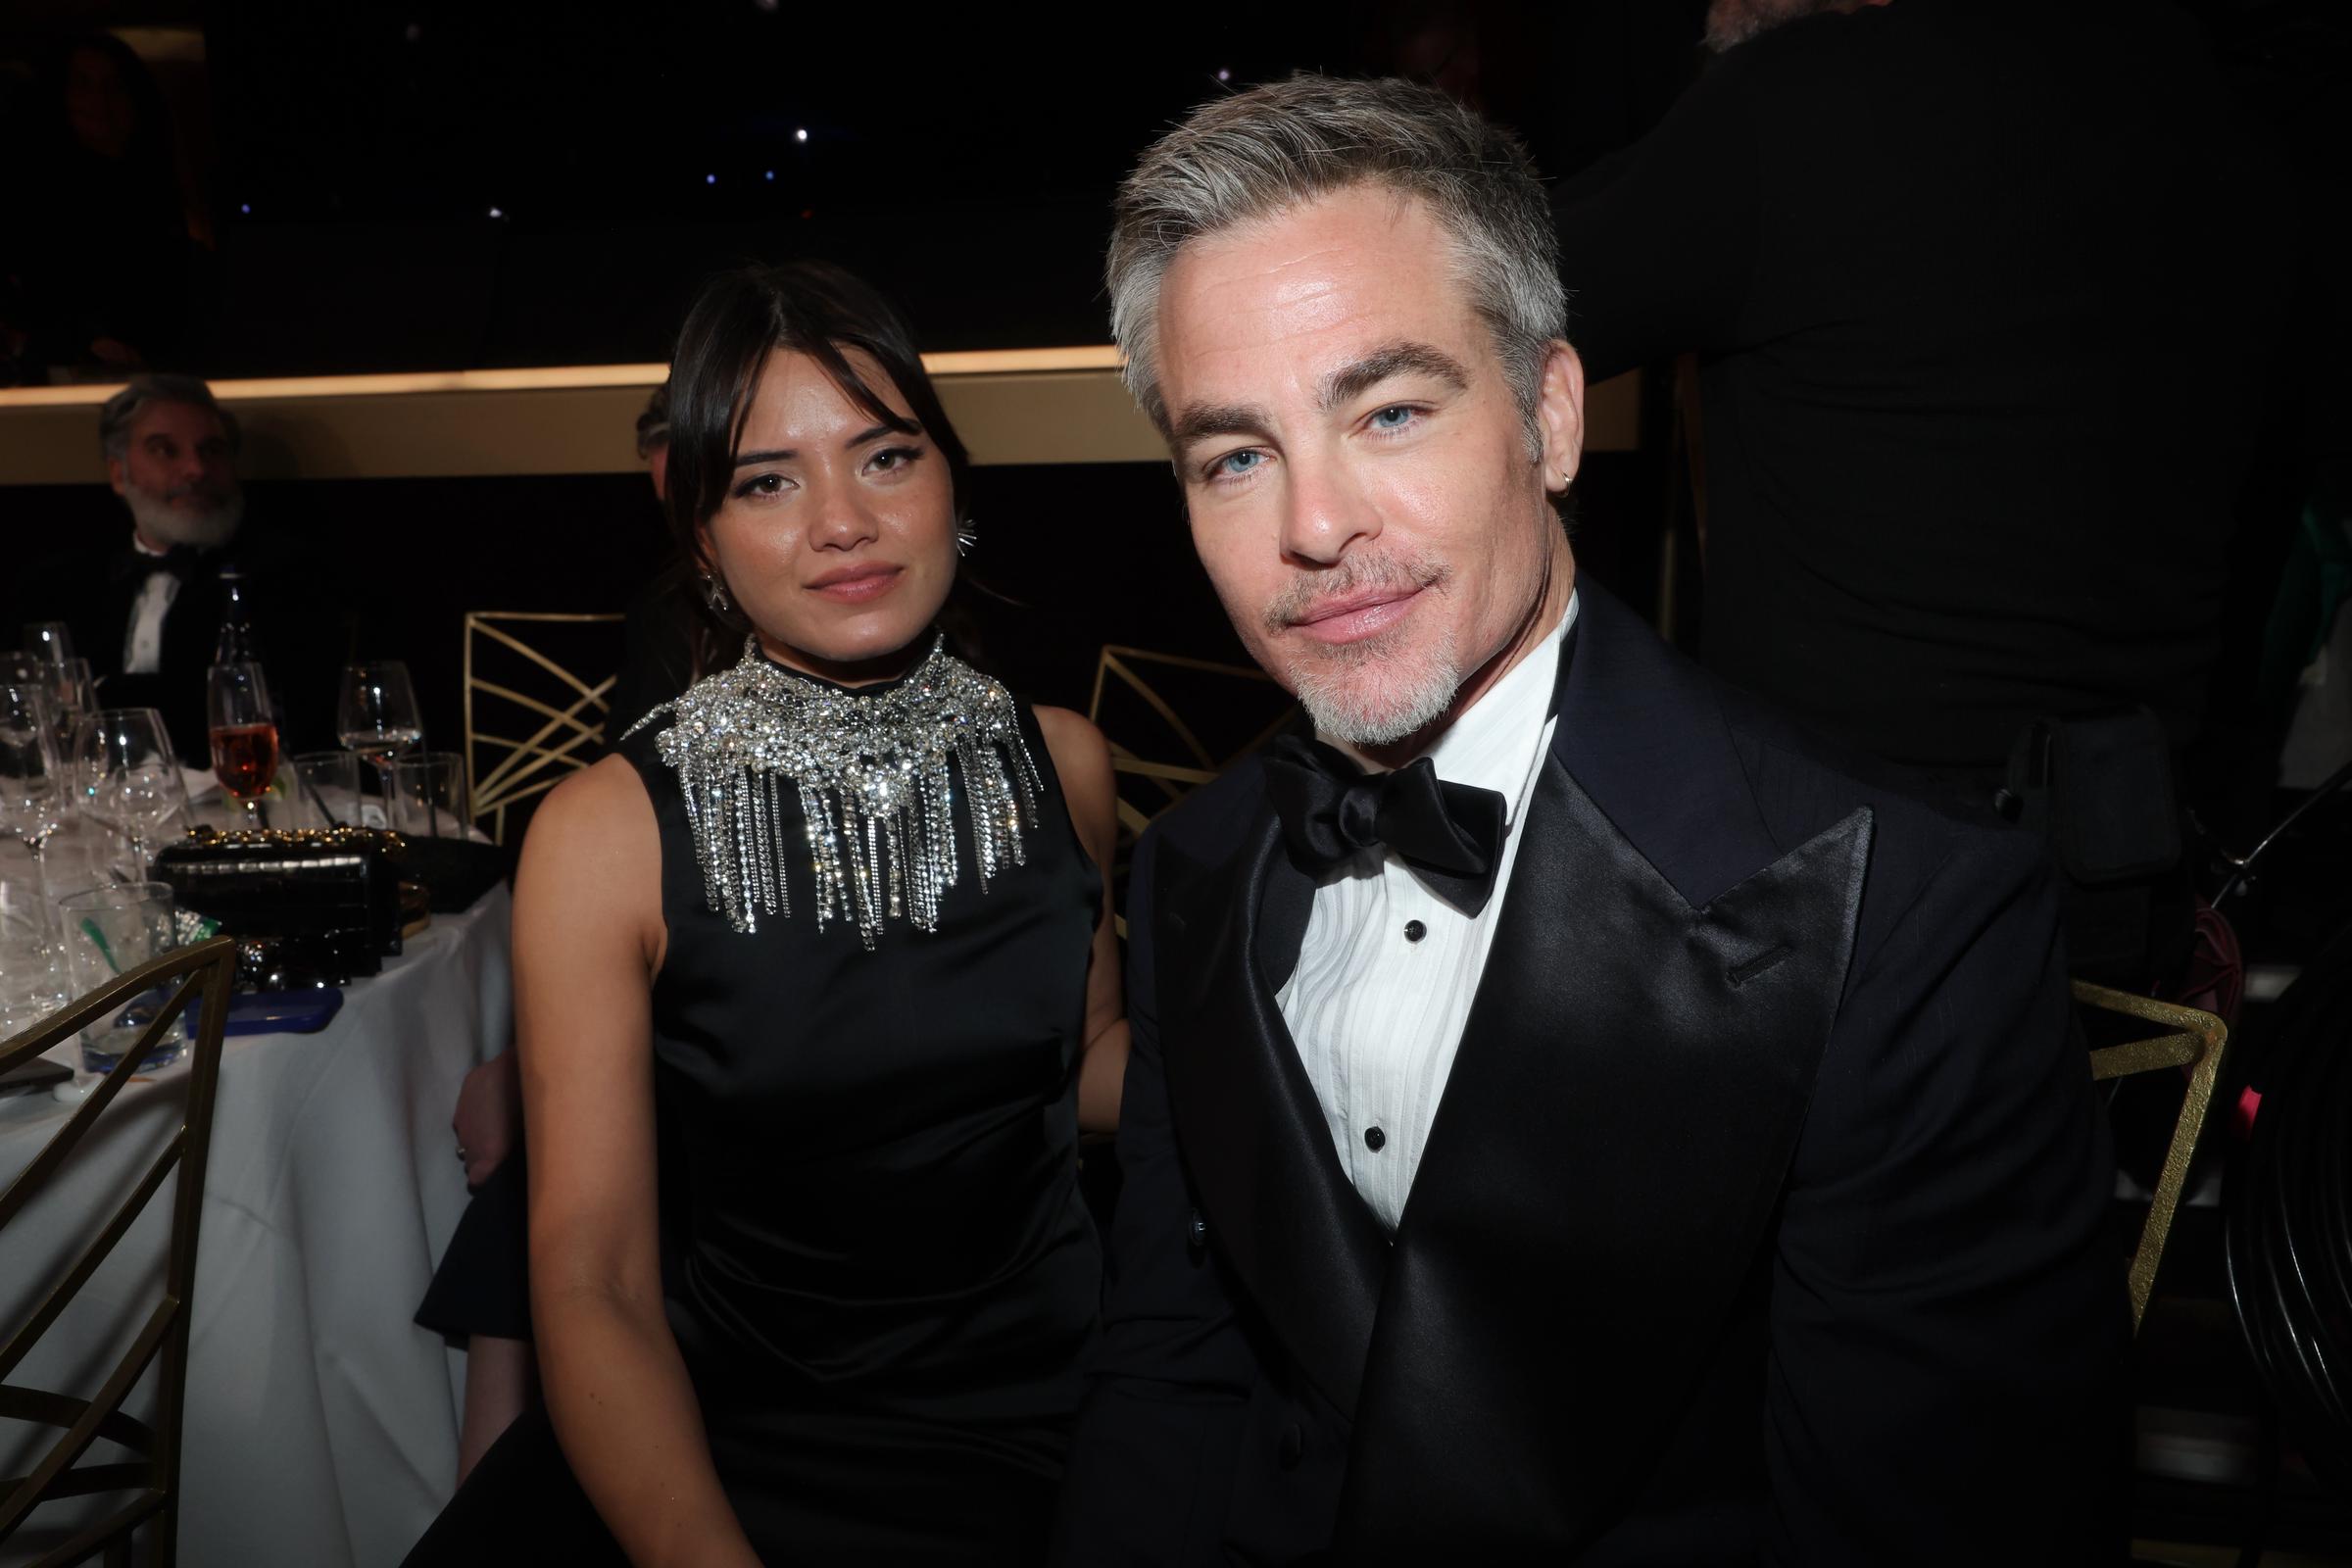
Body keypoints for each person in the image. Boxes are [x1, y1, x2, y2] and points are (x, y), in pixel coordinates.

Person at [1054, 75, 2125, 1563]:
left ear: (1552, 417)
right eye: (1236, 456)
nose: (1315, 525)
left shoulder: (1903, 918)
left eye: (1392, 410)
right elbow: (1170, 1391)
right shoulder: (1194, 869)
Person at [405, 260, 1128, 1564]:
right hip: (719, 1436)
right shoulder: (604, 834)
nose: (841, 521)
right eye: (767, 481)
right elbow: (594, 1282)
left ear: (953, 490)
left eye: (886, 458)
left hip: (1047, 1426)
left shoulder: (1065, 765)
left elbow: (1089, 1076)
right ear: (703, 539)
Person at [1551, 0, 2294, 985]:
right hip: (2123, 898)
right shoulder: (2228, 117)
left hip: (1828, 926)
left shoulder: (1808, 102)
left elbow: (1468, 296)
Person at [5, 372, 347, 759]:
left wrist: (104, 694)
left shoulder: (287, 577)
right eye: (165, 450)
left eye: (212, 450)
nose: (196, 470)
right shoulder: (56, 585)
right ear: (119, 473)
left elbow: (279, 716)